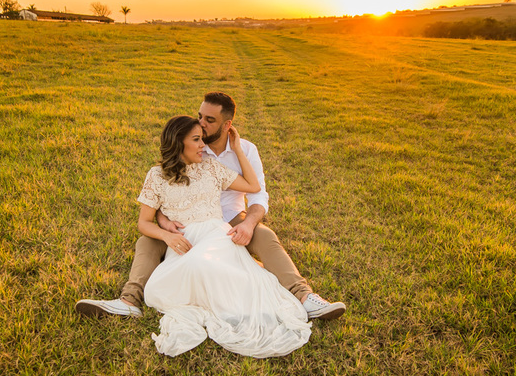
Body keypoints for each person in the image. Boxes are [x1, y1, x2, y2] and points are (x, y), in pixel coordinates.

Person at [76, 91, 346, 321]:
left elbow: (258, 194)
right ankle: (129, 300)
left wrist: (250, 224)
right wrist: (163, 221)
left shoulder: (245, 151)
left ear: (227, 125)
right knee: (146, 243)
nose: (201, 123)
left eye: (210, 120)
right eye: (200, 116)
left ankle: (305, 297)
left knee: (265, 235)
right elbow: (166, 187)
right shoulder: (188, 142)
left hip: (228, 219)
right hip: (181, 224)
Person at [124, 115, 311, 357]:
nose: (203, 145)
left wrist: (237, 150)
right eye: (196, 140)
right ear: (178, 142)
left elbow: (254, 187)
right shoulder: (156, 175)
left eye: (202, 139)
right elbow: (143, 222)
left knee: (202, 263)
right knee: (158, 290)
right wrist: (167, 236)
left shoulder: (211, 168)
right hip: (183, 240)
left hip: (215, 235)